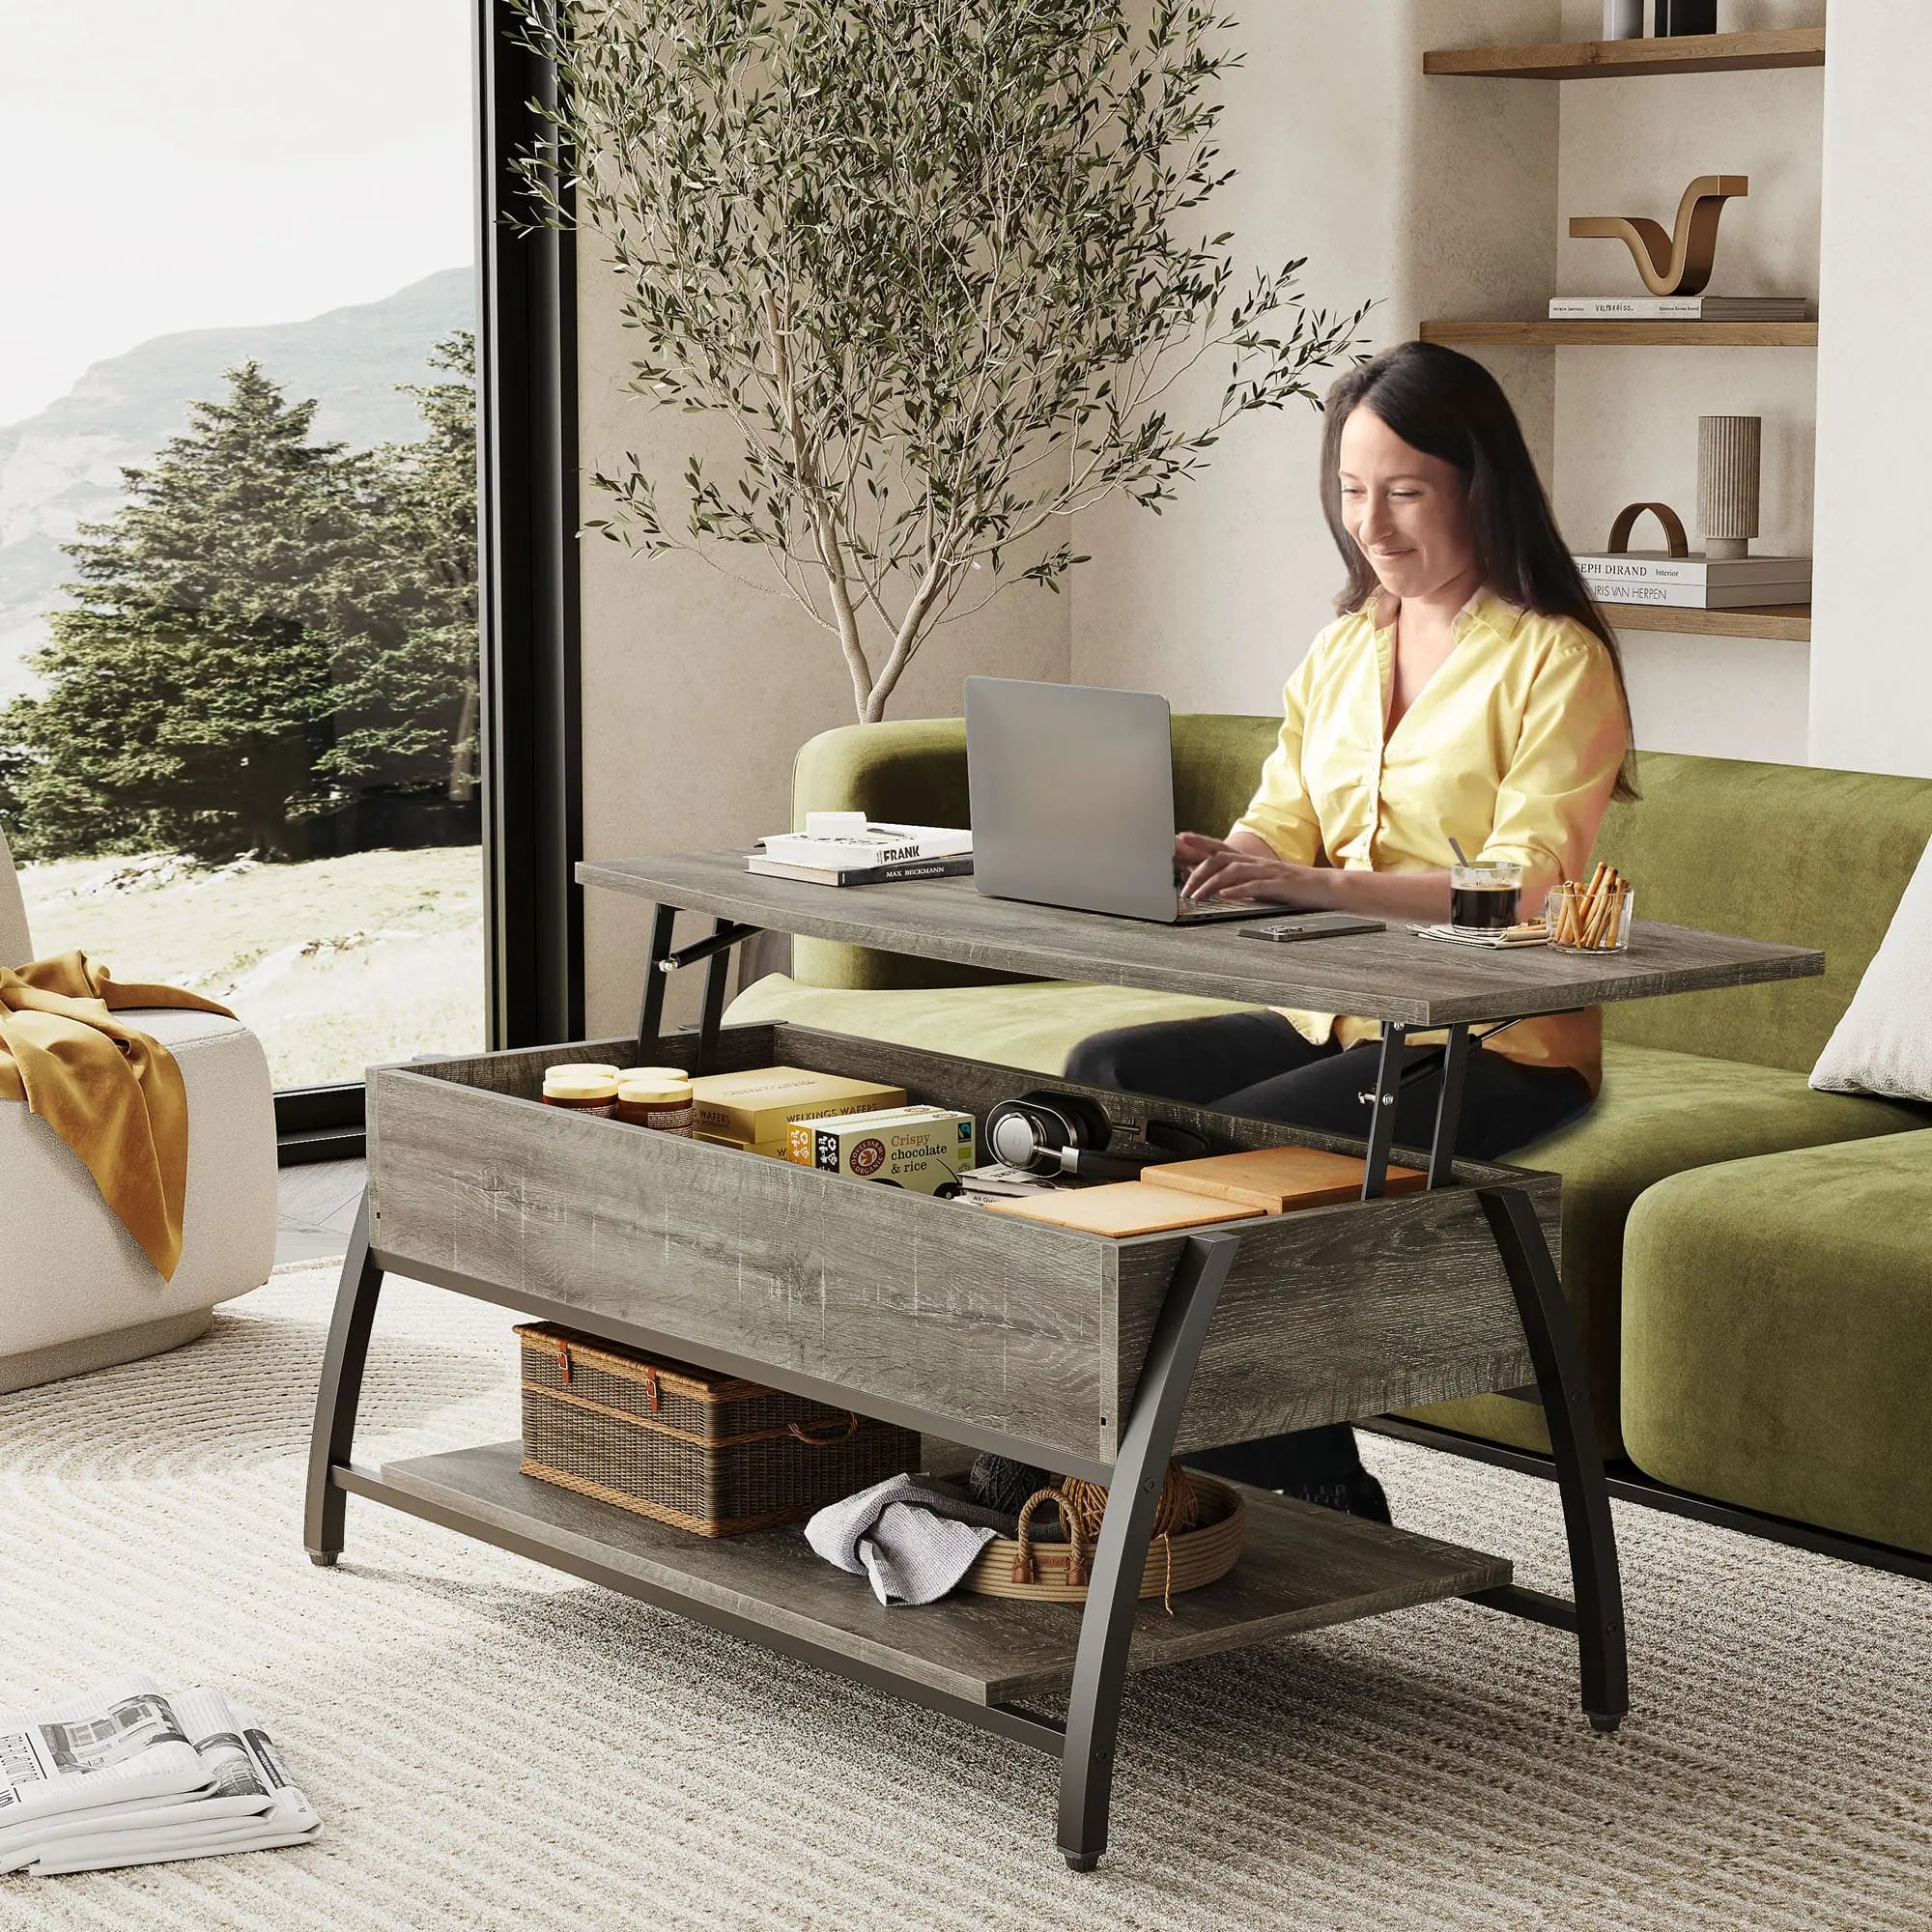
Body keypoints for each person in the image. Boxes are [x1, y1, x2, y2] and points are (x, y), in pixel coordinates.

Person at [1065, 339, 1634, 1520]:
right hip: (1333, 1018)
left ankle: (1311, 1476)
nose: (1370, 522)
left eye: (1404, 489)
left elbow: (1525, 886)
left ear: (1479, 485)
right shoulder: (1339, 647)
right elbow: (1279, 820)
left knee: (1256, 1140)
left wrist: (1319, 888)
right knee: (1104, 1077)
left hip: (1497, 1044)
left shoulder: (1553, 658)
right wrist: (1222, 861)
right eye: (1349, 489)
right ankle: (1138, 1427)